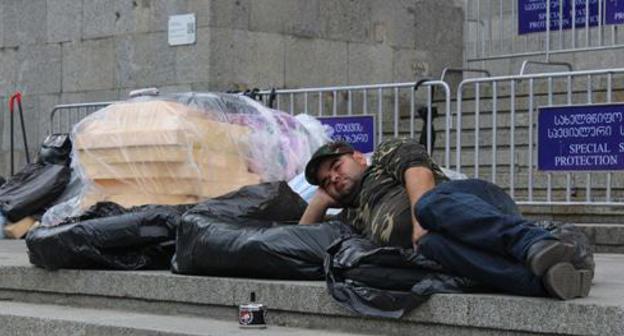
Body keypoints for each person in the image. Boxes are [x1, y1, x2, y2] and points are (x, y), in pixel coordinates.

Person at [299, 138, 592, 300]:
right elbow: (301, 239)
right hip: (437, 239)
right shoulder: (352, 215)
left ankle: (534, 242)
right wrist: (321, 200)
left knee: (428, 206)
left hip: (468, 202)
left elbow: (418, 173)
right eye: (327, 181)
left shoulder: (386, 154)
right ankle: (549, 282)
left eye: (336, 166)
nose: (334, 178)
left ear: (359, 157)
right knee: (433, 246)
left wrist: (418, 221)